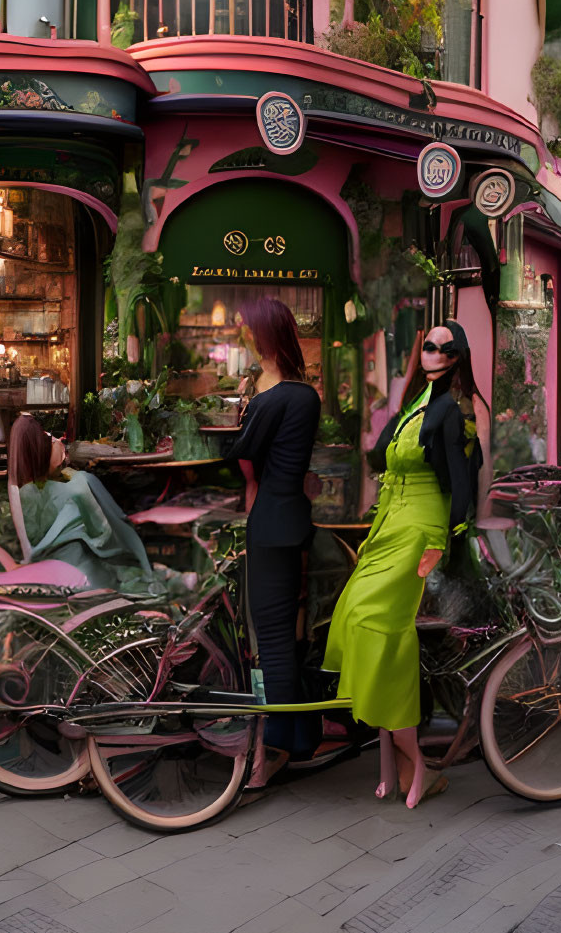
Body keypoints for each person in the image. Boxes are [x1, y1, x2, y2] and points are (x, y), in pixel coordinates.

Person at [324, 323, 487, 810]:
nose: (434, 353)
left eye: (445, 348)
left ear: (457, 357)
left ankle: (416, 763)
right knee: (353, 615)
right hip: (389, 527)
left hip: (420, 529)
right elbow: (381, 458)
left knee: (382, 627)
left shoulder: (452, 410)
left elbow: (461, 482)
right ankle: (391, 761)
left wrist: (443, 539)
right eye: (429, 345)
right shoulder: (416, 402)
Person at [227, 298, 324, 778]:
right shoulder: (300, 395)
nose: (243, 337)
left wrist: (245, 406)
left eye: (249, 331)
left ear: (265, 337)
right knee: (282, 636)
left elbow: (242, 448)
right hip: (288, 521)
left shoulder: (282, 395)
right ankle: (297, 737)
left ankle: (280, 747)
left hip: (272, 525)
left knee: (274, 639)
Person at [7, 415, 159, 594]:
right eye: (48, 439)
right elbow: (102, 532)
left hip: (48, 572)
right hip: (84, 574)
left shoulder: (21, 489)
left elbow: (26, 543)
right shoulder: (77, 483)